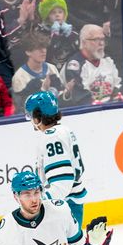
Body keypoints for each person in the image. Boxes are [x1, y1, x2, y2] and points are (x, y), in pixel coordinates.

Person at [25, 90, 87, 225]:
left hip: (64, 206)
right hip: (69, 203)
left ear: (37, 117)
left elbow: (62, 182)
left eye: (31, 116)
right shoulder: (63, 130)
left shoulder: (52, 137)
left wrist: (39, 203)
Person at [62, 24, 123, 106]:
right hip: (90, 112)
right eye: (96, 40)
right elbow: (82, 99)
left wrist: (117, 97)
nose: (101, 43)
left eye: (103, 39)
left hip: (111, 107)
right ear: (84, 42)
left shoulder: (108, 60)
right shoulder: (75, 65)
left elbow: (119, 84)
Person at [12, 32, 66, 111]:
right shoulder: (19, 77)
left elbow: (59, 95)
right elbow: (23, 107)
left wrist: (66, 92)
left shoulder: (51, 68)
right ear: (28, 52)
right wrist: (43, 89)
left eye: (44, 47)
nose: (43, 51)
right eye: (38, 48)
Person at [37, 0, 79, 70]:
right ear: (47, 16)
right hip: (50, 67)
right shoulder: (42, 31)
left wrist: (70, 34)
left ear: (64, 14)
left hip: (69, 66)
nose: (57, 15)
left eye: (60, 12)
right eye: (53, 13)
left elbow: (79, 45)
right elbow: (46, 52)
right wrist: (54, 35)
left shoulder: (70, 28)